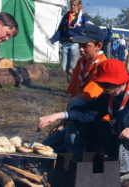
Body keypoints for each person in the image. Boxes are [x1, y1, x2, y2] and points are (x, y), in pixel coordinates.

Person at [39, 59, 129, 179]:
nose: (105, 88)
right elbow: (89, 112)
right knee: (95, 126)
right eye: (102, 84)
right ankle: (94, 159)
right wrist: (59, 115)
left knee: (125, 115)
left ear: (120, 81)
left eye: (108, 84)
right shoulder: (110, 94)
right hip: (123, 134)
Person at [42, 24, 107, 154]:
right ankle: (71, 146)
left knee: (77, 103)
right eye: (79, 45)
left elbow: (83, 99)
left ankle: (76, 153)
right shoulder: (81, 62)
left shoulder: (103, 66)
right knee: (46, 146)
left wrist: (64, 117)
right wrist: (64, 122)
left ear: (98, 46)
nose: (81, 49)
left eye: (85, 46)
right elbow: (73, 94)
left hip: (96, 122)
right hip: (76, 118)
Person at [49, 0, 88, 82]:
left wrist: (85, 42)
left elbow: (86, 30)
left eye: (75, 5)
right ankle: (77, 81)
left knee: (73, 66)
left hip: (75, 43)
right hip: (66, 42)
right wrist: (53, 39)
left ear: (79, 6)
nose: (73, 7)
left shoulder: (82, 17)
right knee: (65, 67)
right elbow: (60, 30)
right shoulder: (66, 16)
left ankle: (76, 83)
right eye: (71, 5)